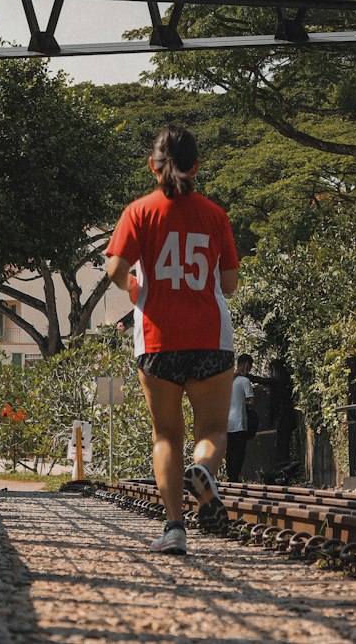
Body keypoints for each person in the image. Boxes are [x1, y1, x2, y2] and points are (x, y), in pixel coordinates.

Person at [106, 125, 239, 556]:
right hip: (210, 339)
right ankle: (202, 470)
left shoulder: (139, 212)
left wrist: (132, 285)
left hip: (157, 339)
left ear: (152, 165)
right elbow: (230, 284)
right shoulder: (215, 215)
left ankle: (174, 527)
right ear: (196, 167)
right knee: (213, 428)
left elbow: (115, 268)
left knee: (165, 435)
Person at [225, 353, 256, 482]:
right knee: (239, 452)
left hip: (226, 423)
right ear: (247, 365)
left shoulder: (227, 380)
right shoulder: (244, 381)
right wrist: (243, 402)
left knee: (229, 452)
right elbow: (251, 402)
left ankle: (230, 478)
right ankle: (234, 479)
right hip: (239, 422)